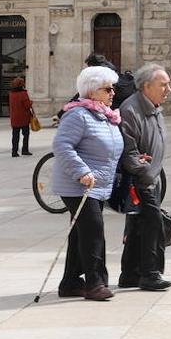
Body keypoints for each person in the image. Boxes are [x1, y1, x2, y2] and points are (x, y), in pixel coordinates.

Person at [52, 66, 124, 301]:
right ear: (92, 92)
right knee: (94, 231)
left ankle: (70, 282)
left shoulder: (104, 115)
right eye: (108, 89)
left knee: (80, 232)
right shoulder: (78, 115)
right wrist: (81, 171)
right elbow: (62, 145)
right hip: (79, 186)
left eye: (113, 88)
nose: (113, 92)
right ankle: (95, 283)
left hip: (97, 185)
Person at [118, 62, 171, 292]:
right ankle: (150, 273)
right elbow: (128, 150)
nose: (168, 89)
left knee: (139, 225)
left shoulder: (153, 107)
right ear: (147, 86)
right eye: (163, 85)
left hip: (152, 177)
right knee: (153, 224)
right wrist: (143, 170)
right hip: (140, 180)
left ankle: (130, 274)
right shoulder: (130, 110)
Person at [8, 77, 34, 158]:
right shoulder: (23, 94)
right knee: (26, 134)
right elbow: (27, 105)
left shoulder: (11, 94)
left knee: (15, 136)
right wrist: (31, 102)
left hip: (14, 118)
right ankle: (25, 150)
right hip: (23, 118)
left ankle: (14, 152)